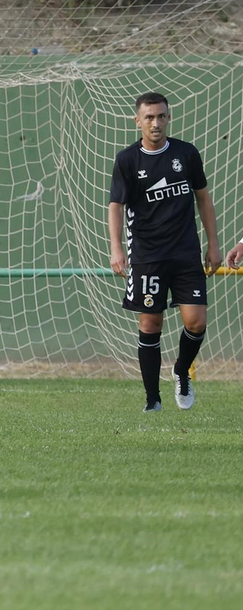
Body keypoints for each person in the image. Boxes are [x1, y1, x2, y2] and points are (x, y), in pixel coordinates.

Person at [109, 92, 219, 412]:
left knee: (196, 322)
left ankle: (181, 371)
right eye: (149, 117)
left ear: (168, 118)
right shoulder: (128, 160)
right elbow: (115, 206)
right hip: (147, 255)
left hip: (185, 252)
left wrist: (213, 244)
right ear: (138, 121)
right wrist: (116, 248)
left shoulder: (186, 153)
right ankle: (152, 400)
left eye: (161, 116)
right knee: (150, 324)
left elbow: (203, 198)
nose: (156, 123)